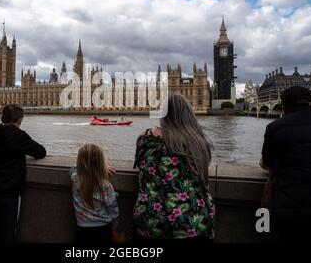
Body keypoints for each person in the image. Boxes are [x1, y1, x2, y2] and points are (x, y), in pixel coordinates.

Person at [133, 93, 215, 243]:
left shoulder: (145, 138)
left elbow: (141, 165)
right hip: (193, 221)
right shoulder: (198, 141)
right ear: (188, 114)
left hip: (151, 220)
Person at [260, 86, 311, 241]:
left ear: (284, 109)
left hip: (291, 214)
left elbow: (267, 164)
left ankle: (262, 229)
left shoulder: (275, 128)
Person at [0, 104, 47, 243]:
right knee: (7, 233)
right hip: (8, 192)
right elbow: (40, 151)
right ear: (19, 120)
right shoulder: (18, 135)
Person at [69, 143, 119, 245]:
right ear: (101, 163)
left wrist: (84, 161)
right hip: (103, 229)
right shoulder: (105, 185)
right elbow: (114, 211)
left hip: (82, 229)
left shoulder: (75, 179)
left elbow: (73, 168)